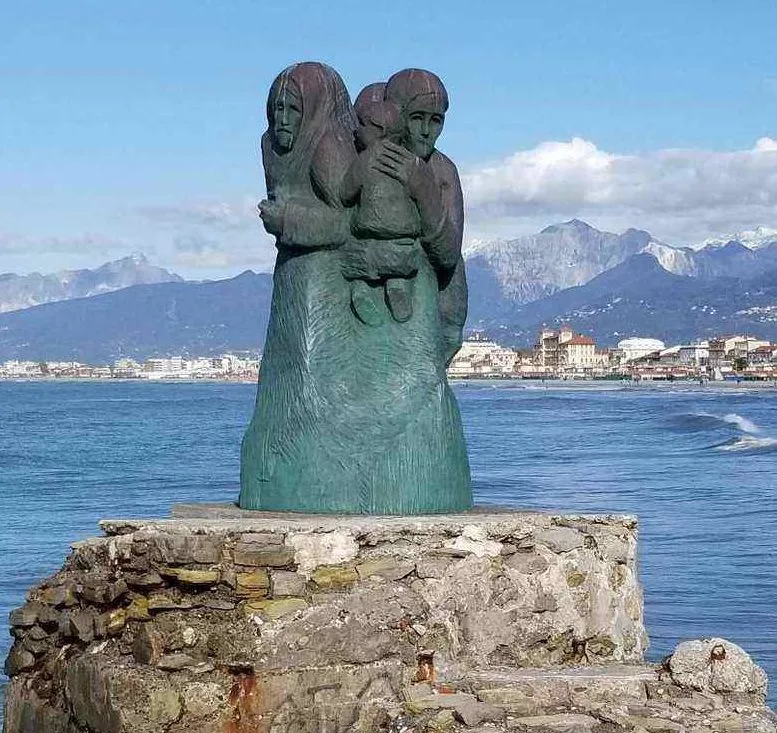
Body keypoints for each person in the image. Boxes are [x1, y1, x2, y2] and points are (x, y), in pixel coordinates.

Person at [240, 64, 471, 515]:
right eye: (417, 119)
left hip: (418, 304)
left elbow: (446, 254)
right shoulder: (317, 151)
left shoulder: (441, 171)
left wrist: (422, 191)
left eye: (436, 121)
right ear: (394, 116)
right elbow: (346, 201)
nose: (426, 132)